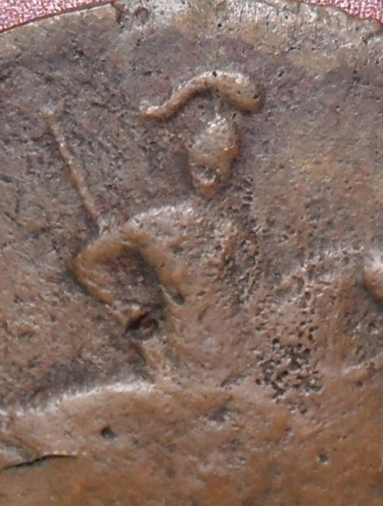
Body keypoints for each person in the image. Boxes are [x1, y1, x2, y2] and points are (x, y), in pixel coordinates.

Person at [72, 70, 261, 385]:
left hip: (232, 363)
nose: (212, 177)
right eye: (208, 167)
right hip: (184, 368)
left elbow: (251, 305)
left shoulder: (229, 234)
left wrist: (130, 312)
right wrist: (132, 315)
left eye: (219, 167)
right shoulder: (155, 226)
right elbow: (86, 264)